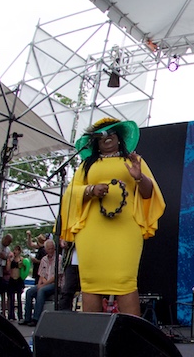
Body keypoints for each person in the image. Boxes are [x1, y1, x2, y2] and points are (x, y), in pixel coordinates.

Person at [59, 117, 165, 316]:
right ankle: (93, 338)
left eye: (111, 134)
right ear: (95, 142)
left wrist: (139, 177)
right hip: (91, 231)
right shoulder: (86, 166)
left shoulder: (133, 160)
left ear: (119, 137)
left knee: (125, 281)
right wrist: (90, 190)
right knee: (91, 283)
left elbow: (149, 193)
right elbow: (70, 193)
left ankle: (130, 336)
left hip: (125, 229)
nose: (106, 138)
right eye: (101, 136)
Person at [21, 239, 57, 326]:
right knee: (29, 292)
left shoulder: (58, 258)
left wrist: (43, 285)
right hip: (44, 282)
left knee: (41, 291)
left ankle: (36, 318)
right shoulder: (44, 259)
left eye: (52, 248)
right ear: (45, 249)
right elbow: (41, 274)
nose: (50, 251)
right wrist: (40, 283)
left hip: (54, 284)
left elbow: (56, 277)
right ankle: (27, 318)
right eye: (48, 249)